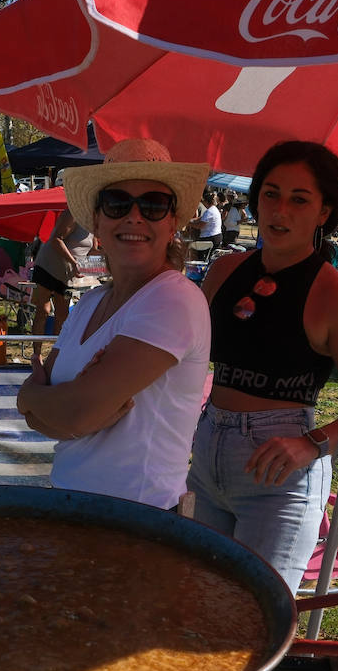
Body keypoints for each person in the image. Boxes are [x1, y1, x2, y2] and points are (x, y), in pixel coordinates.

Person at [186, 140, 338, 593]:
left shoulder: (333, 295)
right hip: (206, 458)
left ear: (324, 212)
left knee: (254, 617)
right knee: (199, 601)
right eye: (271, 193)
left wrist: (313, 443)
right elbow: (186, 355)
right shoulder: (224, 271)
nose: (280, 210)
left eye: (299, 199)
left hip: (279, 473)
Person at [16, 137, 212, 510]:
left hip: (137, 523)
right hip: (71, 506)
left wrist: (33, 398)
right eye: (117, 203)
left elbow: (69, 413)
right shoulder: (89, 302)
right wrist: (64, 410)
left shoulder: (173, 300)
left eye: (154, 205)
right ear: (98, 225)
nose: (134, 216)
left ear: (173, 224)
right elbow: (49, 418)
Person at [29, 207, 95, 336]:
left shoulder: (94, 223)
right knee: (43, 310)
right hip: (48, 265)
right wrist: (74, 262)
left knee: (62, 314)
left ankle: (57, 352)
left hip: (66, 273)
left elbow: (92, 251)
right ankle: (37, 354)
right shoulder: (73, 213)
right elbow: (56, 239)